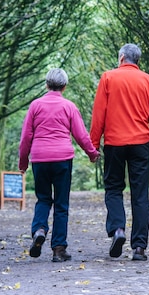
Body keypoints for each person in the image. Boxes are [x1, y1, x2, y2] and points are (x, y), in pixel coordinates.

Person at [89, 43, 149, 261]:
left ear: (122, 57)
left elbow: (99, 115)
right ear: (137, 60)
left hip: (114, 142)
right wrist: (148, 135)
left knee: (113, 188)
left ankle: (118, 230)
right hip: (140, 142)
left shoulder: (108, 78)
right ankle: (139, 247)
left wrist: (94, 145)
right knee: (140, 194)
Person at [19, 68, 100, 262]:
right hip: (63, 159)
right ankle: (58, 249)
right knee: (61, 204)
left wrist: (23, 162)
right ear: (65, 86)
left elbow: (26, 137)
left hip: (39, 159)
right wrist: (92, 153)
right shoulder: (69, 106)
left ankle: (39, 229)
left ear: (47, 84)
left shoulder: (35, 106)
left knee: (43, 199)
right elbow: (80, 134)